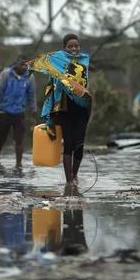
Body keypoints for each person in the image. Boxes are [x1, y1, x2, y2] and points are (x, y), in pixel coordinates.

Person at [28, 34, 92, 186]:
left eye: (76, 46)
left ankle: (74, 174)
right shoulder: (56, 61)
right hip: (64, 107)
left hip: (81, 107)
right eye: (70, 46)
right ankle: (69, 182)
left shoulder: (84, 60)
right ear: (64, 48)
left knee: (80, 144)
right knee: (69, 143)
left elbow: (84, 81)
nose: (74, 49)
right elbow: (50, 76)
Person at [0, 55, 37, 168]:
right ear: (16, 63)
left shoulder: (29, 78)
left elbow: (31, 97)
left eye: (26, 65)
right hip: (4, 112)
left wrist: (33, 114)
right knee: (1, 140)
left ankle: (18, 165)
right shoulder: (5, 75)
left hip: (19, 113)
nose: (24, 67)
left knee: (19, 140)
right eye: (21, 64)